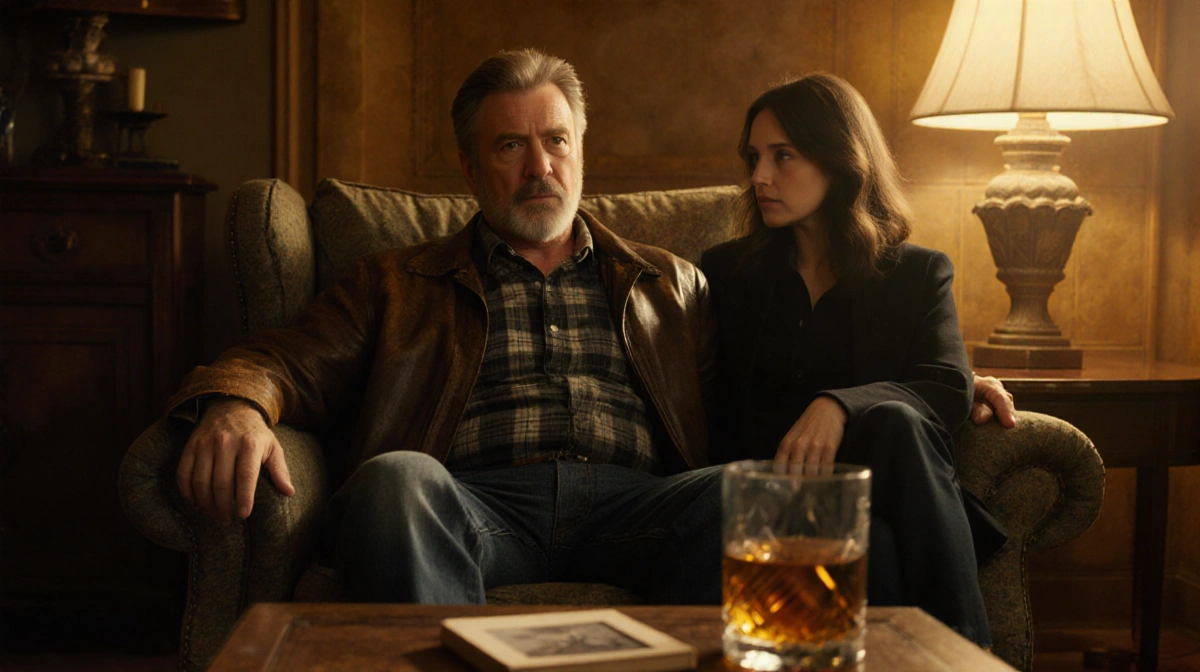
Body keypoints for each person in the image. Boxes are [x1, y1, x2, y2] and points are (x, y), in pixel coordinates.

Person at [169, 50, 1015, 611]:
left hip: (643, 506)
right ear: (471, 166)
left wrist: (930, 383)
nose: (540, 167)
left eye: (556, 141)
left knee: (763, 499)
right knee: (394, 480)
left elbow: (778, 383)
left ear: (582, 150)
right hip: (472, 504)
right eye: (511, 145)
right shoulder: (397, 280)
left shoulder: (674, 282)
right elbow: (280, 356)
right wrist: (238, 403)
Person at [701, 73, 1006, 647]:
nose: (759, 177)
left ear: (840, 161)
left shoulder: (916, 273)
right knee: (880, 541)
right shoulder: (723, 273)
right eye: (754, 157)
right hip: (761, 495)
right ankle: (967, 652)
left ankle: (964, 654)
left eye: (782, 156)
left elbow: (943, 386)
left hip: (877, 489)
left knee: (893, 424)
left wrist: (839, 405)